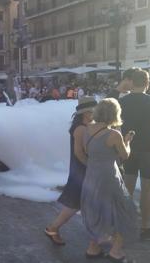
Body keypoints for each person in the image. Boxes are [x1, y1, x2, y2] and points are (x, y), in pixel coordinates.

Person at [80, 98, 138, 262]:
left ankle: (93, 248)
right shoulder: (114, 134)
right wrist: (127, 142)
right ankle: (116, 251)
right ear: (115, 114)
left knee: (96, 212)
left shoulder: (86, 129)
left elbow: (86, 151)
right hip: (109, 177)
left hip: (91, 175)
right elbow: (124, 155)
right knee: (123, 212)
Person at [119, 69, 150, 241]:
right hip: (148, 149)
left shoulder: (122, 101)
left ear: (131, 82)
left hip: (128, 148)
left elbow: (116, 126)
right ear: (147, 83)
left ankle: (122, 227)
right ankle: (146, 228)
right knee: (147, 191)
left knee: (127, 190)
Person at [45, 97, 97, 247]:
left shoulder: (86, 125)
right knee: (75, 205)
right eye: (94, 110)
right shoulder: (81, 128)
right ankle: (52, 228)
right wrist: (90, 167)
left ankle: (97, 237)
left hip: (81, 169)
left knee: (82, 204)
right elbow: (79, 153)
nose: (96, 113)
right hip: (82, 169)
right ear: (86, 113)